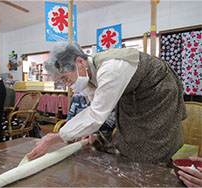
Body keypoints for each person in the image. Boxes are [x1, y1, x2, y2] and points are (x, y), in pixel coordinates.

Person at [27, 40, 187, 163]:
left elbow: (96, 115)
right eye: (62, 81)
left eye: (65, 78)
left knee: (151, 139)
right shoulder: (88, 71)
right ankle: (133, 164)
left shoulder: (110, 69)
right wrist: (86, 130)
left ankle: (157, 171)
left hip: (158, 89)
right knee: (129, 134)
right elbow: (95, 103)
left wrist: (53, 137)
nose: (67, 84)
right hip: (134, 93)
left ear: (80, 62)